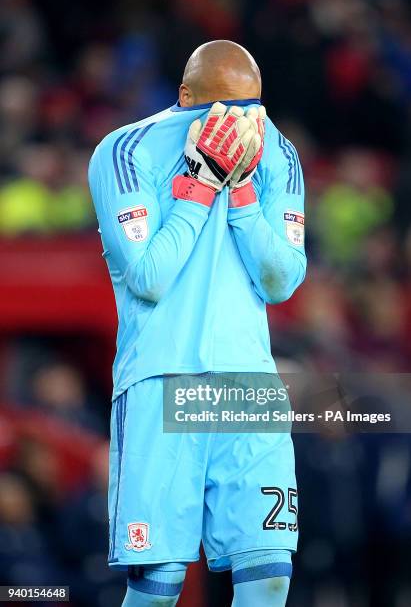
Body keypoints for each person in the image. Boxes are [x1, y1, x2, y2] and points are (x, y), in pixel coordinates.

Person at [89, 40, 306, 607]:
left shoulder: (277, 151)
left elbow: (282, 281)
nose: (238, 126)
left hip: (250, 388)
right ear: (184, 97)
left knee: (270, 580)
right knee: (158, 589)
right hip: (164, 379)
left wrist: (242, 196)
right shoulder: (123, 150)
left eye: (250, 110)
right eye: (219, 111)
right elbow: (150, 277)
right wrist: (200, 183)